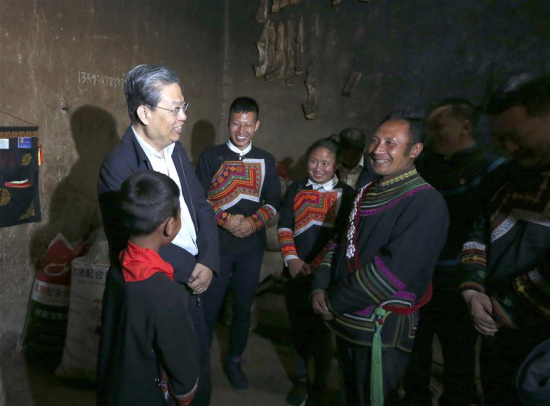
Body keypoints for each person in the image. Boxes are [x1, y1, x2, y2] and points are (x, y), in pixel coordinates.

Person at [98, 64, 218, 406]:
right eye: (175, 109)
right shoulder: (119, 166)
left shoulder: (176, 150)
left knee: (193, 369)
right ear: (144, 112)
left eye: (184, 107)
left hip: (194, 278)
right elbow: (130, 243)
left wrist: (208, 259)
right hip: (162, 288)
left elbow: (200, 205)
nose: (183, 117)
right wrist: (191, 269)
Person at [311, 112, 449, 406]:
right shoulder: (366, 192)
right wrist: (319, 287)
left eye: (390, 143)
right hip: (345, 321)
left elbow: (391, 274)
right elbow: (340, 243)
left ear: (415, 150)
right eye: (375, 140)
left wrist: (333, 301)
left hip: (379, 331)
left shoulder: (424, 201)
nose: (376, 150)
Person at [402, 98, 507, 405]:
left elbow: (486, 231)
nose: (432, 134)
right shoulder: (423, 166)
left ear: (465, 127)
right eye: (430, 127)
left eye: (438, 127)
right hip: (420, 279)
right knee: (415, 352)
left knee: (459, 357)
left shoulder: (492, 170)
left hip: (462, 282)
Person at [459, 73, 550, 406]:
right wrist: (472, 289)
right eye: (500, 139)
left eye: (517, 136)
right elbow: (477, 233)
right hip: (496, 331)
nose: (508, 148)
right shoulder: (502, 176)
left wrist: (500, 306)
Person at [195, 96, 281, 393]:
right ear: (228, 123)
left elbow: (273, 204)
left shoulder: (267, 160)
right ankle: (198, 365)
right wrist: (226, 220)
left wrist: (252, 223)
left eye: (247, 124)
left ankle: (234, 360)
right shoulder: (211, 157)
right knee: (208, 308)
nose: (241, 130)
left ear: (256, 126)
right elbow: (199, 201)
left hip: (250, 251)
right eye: (236, 123)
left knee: (243, 309)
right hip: (215, 249)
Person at [98, 171, 200, 406]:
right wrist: (184, 392)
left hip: (114, 387)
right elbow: (182, 364)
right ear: (170, 225)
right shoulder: (168, 294)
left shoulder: (118, 267)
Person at [278, 137, 355, 406]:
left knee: (322, 333)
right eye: (314, 161)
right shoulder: (296, 188)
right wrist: (293, 260)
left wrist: (317, 265)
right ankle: (301, 381)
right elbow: (285, 226)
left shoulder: (347, 194)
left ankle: (320, 386)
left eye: (326, 163)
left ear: (336, 165)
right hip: (295, 272)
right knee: (298, 330)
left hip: (326, 276)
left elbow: (342, 236)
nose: (318, 168)